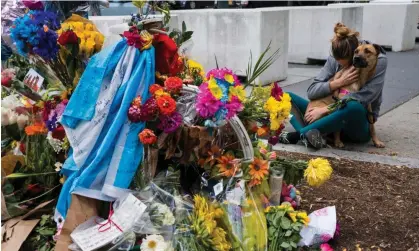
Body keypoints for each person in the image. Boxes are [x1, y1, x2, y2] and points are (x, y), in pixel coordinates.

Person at [280, 23, 388, 149]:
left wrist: (324, 110)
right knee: (285, 97)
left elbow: (365, 97)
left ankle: (299, 135)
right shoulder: (336, 57)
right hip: (330, 117)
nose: (342, 66)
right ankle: (311, 134)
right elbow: (312, 91)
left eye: (346, 63)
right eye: (338, 63)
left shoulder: (377, 60)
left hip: (354, 123)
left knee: (352, 104)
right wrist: (338, 82)